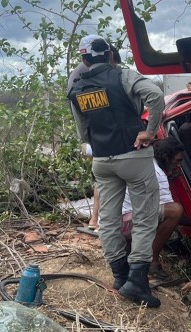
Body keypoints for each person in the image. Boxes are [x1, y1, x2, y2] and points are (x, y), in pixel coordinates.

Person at [68, 34, 164, 307]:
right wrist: (149, 131)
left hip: (102, 160)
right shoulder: (122, 75)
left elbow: (82, 129)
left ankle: (120, 277)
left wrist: (95, 143)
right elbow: (155, 95)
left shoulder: (78, 86)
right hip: (133, 155)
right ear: (110, 54)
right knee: (145, 218)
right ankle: (136, 280)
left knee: (108, 220)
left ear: (84, 59)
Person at [120, 137, 191, 282]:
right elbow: (171, 212)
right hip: (126, 224)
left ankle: (130, 249)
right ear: (166, 157)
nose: (179, 165)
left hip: (116, 221)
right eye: (177, 161)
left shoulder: (148, 162)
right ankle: (152, 261)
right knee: (175, 211)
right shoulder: (158, 175)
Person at [70, 45, 123, 231]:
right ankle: (102, 223)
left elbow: (79, 115)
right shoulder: (100, 78)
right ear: (109, 58)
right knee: (108, 181)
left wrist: (86, 139)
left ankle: (94, 220)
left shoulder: (81, 77)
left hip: (92, 140)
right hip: (102, 141)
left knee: (100, 180)